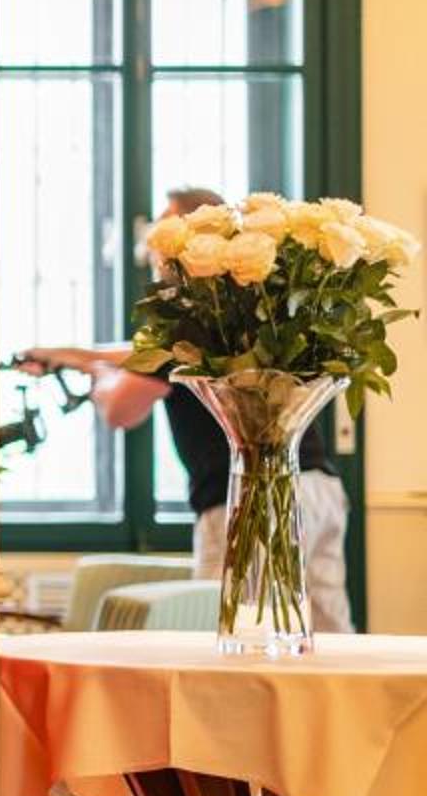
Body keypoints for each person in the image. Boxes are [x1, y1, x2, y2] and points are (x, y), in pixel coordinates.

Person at [19, 185, 354, 630]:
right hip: (318, 486)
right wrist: (72, 355)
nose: (152, 245)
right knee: (328, 631)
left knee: (233, 626)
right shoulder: (247, 302)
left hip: (247, 497)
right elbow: (145, 356)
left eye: (163, 229)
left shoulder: (186, 312)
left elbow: (122, 409)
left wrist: (99, 377)